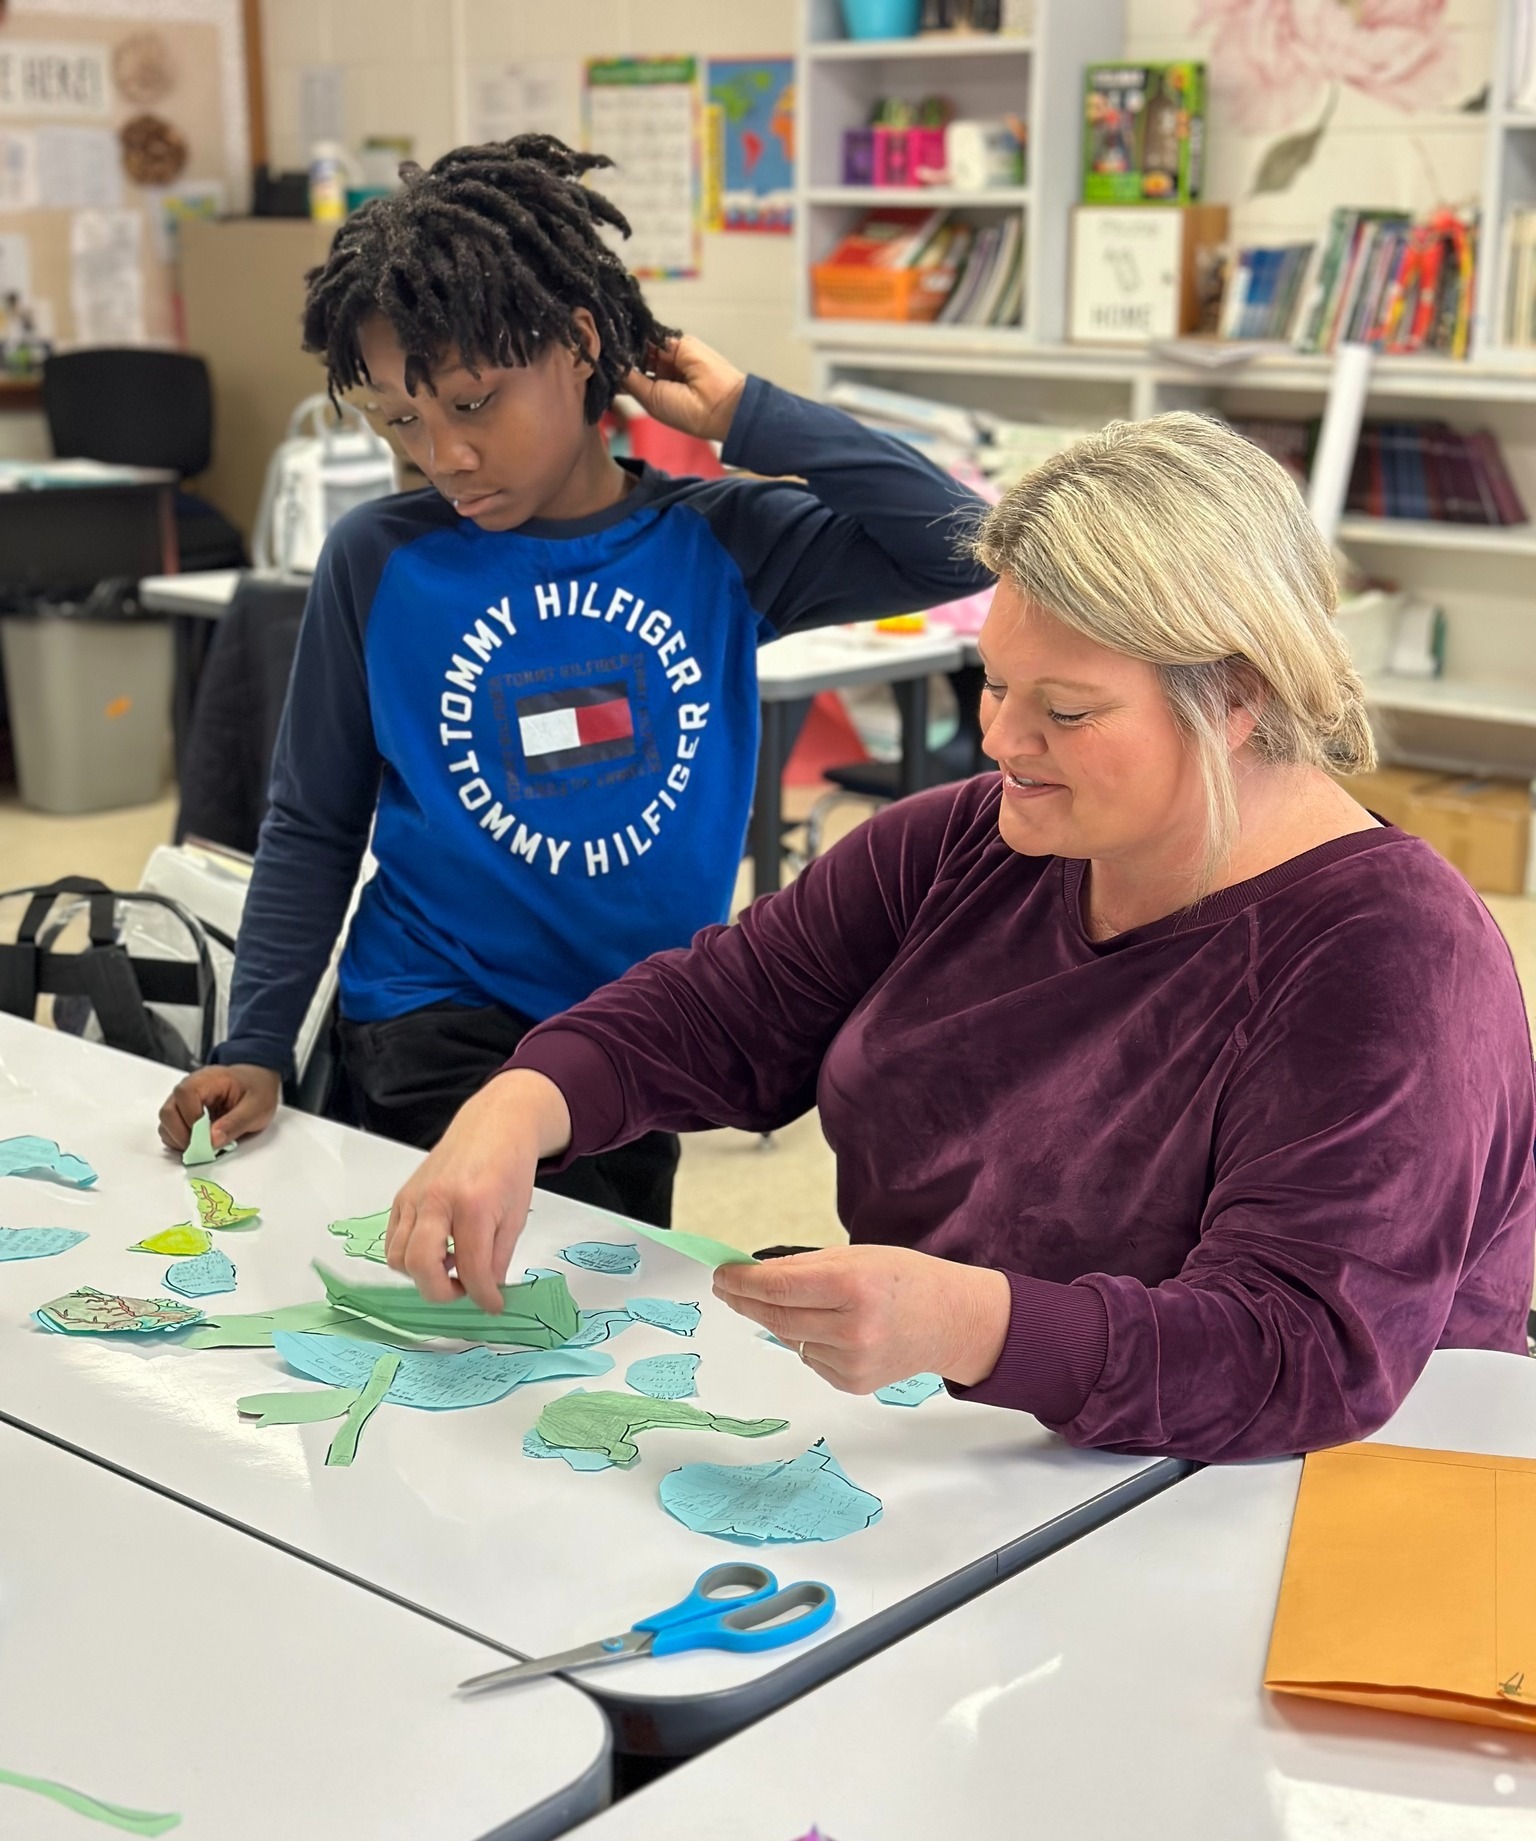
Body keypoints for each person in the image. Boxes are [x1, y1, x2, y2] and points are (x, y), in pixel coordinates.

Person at [383, 411, 1536, 1464]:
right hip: (973, 1458)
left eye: (1066, 710)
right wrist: (520, 1105)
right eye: (991, 687)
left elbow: (1297, 1352)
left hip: (1283, 1499)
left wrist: (972, 1321)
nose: (1003, 740)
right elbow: (723, 1007)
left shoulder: (1394, 960)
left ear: (1236, 697)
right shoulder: (972, 842)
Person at [155, 135, 988, 1225]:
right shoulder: (377, 559)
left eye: (472, 401)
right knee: (468, 1308)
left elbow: (961, 537)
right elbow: (314, 819)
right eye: (402, 421)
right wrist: (257, 1042)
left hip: (641, 1031)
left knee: (581, 1328)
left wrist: (746, 415)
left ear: (581, 342)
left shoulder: (719, 542)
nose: (443, 454)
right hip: (429, 1012)